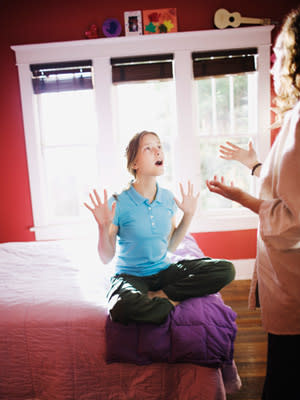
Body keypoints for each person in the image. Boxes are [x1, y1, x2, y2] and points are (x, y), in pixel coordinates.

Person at [206, 8, 300, 400]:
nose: (274, 68)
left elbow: (294, 218)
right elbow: (289, 190)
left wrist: (242, 197)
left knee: (284, 379)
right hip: (287, 280)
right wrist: (255, 164)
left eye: (280, 56)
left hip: (294, 286)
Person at [85, 130, 235, 325]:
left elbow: (170, 247)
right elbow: (106, 258)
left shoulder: (167, 198)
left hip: (164, 272)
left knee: (226, 269)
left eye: (159, 146)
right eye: (148, 148)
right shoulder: (117, 202)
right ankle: (165, 304)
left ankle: (164, 298)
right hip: (131, 276)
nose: (157, 152)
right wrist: (103, 226)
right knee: (120, 308)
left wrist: (188, 215)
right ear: (134, 164)